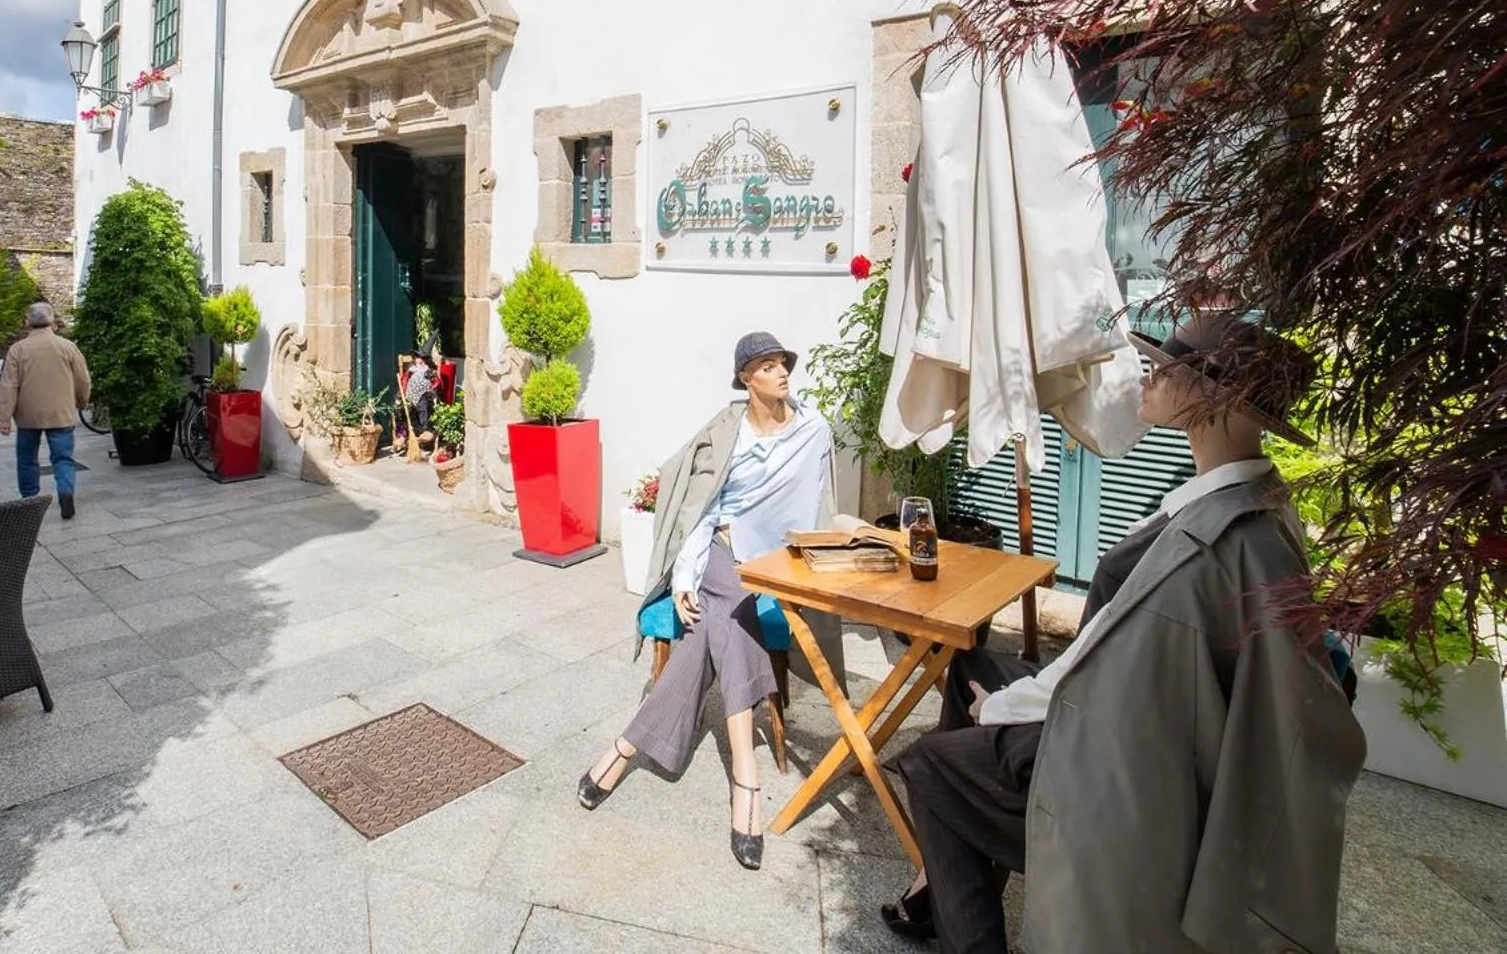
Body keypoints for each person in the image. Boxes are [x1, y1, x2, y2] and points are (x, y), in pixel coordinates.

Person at [881, 312, 1365, 953]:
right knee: (969, 665)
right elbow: (1118, 646)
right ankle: (937, 875)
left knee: (931, 769)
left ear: (1211, 398)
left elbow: (1113, 665)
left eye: (1167, 368)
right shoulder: (1242, 506)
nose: (1148, 374)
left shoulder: (1212, 543)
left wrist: (1001, 709)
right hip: (1123, 719)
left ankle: (960, 888)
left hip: (1116, 760)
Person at [577, 331, 859, 870]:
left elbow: (822, 507)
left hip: (775, 563)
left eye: (783, 364)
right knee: (731, 602)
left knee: (717, 625)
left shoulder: (813, 430)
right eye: (768, 365)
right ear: (746, 378)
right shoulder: (730, 434)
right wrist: (684, 576)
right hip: (726, 553)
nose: (781, 373)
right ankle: (746, 783)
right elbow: (706, 511)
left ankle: (624, 749)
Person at [0, 301, 93, 520]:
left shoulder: (18, 350)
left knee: (27, 459)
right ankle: (66, 492)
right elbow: (83, 380)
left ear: (27, 322)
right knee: (63, 459)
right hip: (61, 413)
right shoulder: (67, 347)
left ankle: (30, 501)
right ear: (54, 323)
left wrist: (4, 418)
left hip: (28, 416)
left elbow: (8, 385)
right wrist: (81, 402)